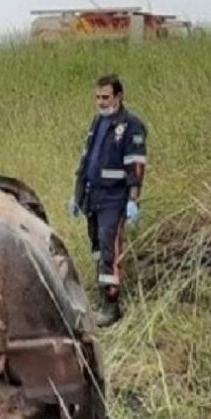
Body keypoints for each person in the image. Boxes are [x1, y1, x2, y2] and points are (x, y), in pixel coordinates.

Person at [68, 74, 148, 327]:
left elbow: (136, 166)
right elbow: (86, 161)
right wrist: (77, 195)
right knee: (96, 250)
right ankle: (102, 297)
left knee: (109, 251)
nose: (101, 102)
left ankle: (111, 307)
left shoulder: (131, 125)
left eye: (106, 97)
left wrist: (133, 200)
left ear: (119, 97)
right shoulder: (98, 122)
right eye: (98, 97)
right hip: (93, 196)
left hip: (115, 199)